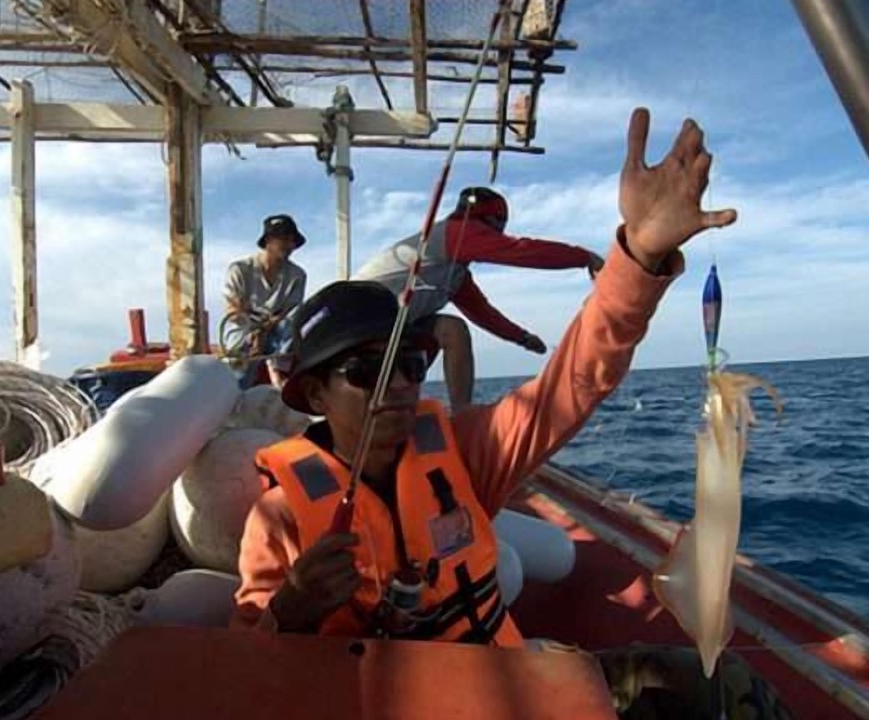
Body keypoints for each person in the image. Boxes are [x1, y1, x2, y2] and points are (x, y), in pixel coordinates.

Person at [233, 110, 792, 719]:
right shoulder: (280, 517)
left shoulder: (465, 452)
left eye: (411, 367)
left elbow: (570, 387)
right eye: (366, 372)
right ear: (314, 395)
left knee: (723, 687)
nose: (396, 385)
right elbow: (242, 677)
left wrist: (637, 256)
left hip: (509, 688)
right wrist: (289, 612)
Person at [353, 185, 604, 412]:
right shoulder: (456, 232)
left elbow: (482, 312)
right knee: (445, 333)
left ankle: (461, 415)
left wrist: (522, 338)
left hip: (387, 331)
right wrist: (585, 257)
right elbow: (522, 251)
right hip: (356, 322)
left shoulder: (454, 271)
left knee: (453, 330)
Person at [223, 213, 308, 388]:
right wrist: (254, 334)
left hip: (275, 331)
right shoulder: (239, 269)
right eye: (283, 239)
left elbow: (288, 313)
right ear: (268, 240)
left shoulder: (297, 275)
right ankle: (236, 387)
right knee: (239, 374)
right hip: (244, 330)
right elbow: (233, 311)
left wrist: (264, 330)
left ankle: (278, 372)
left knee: (297, 322)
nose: (289, 245)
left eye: (292, 241)